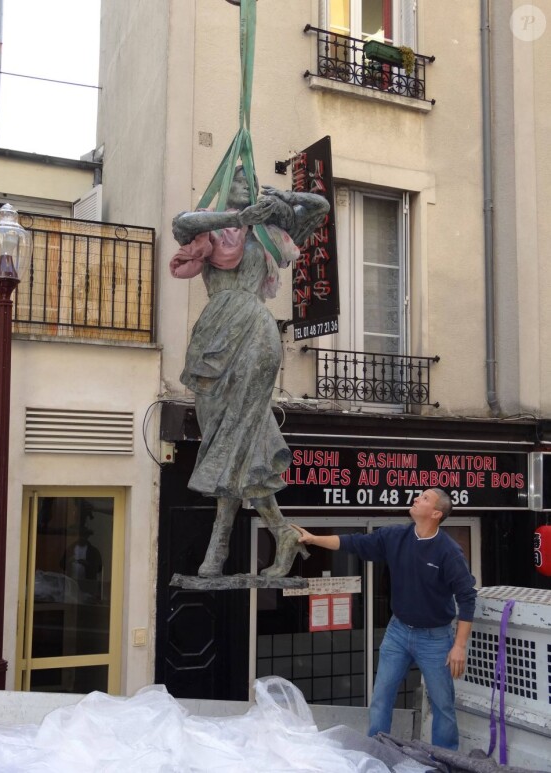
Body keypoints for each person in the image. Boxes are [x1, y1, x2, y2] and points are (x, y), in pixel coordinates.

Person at [170, 166, 329, 578]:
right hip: (213, 332)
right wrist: (238, 218)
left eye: (253, 182)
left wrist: (285, 198)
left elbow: (320, 207)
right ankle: (281, 532)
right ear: (225, 187)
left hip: (256, 332)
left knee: (236, 436)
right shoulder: (211, 229)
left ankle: (217, 548)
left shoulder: (270, 231)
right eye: (241, 180)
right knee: (224, 438)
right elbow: (181, 223)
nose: (248, 186)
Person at [293, 488, 477, 750]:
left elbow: (467, 597)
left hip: (435, 638)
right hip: (398, 631)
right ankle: (376, 753)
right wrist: (312, 539)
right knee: (381, 697)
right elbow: (353, 542)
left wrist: (459, 645)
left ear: (436, 513)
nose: (416, 498)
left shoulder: (449, 552)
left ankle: (445, 761)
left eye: (424, 498)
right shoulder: (395, 536)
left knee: (442, 705)